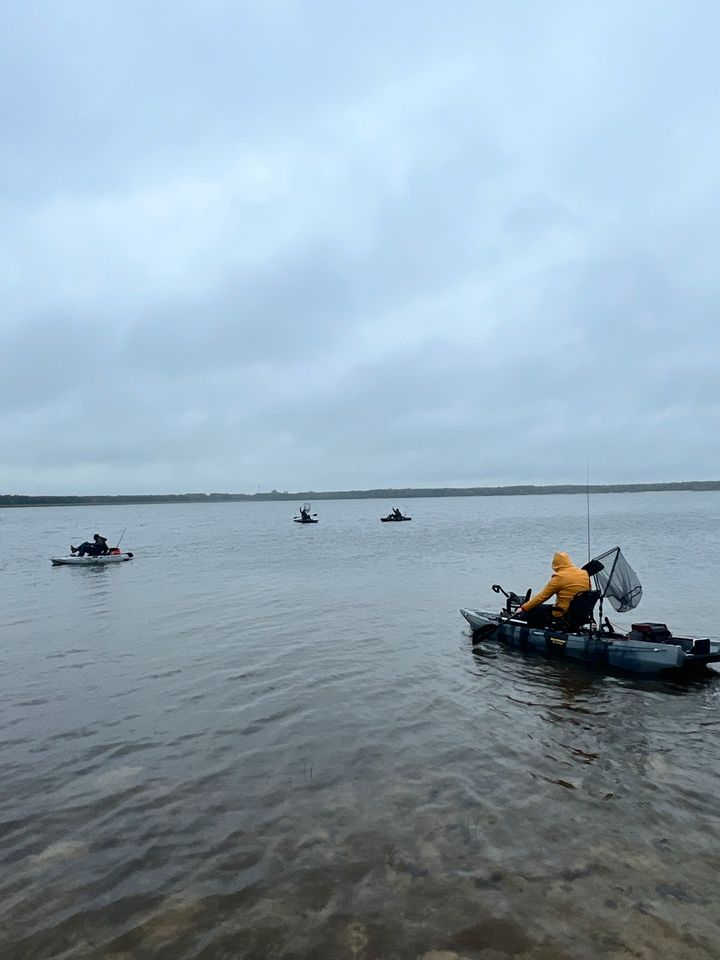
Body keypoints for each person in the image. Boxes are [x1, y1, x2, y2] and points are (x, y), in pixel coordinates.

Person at [515, 551, 590, 627]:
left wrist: (524, 608)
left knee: (534, 610)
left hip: (563, 612)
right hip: (580, 613)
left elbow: (543, 596)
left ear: (556, 563)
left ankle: (535, 632)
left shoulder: (559, 577)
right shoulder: (584, 573)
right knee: (546, 607)